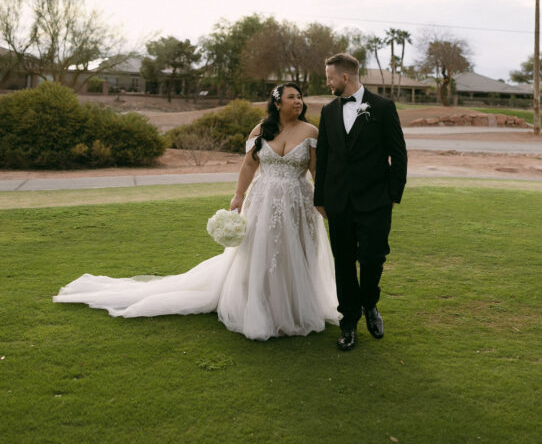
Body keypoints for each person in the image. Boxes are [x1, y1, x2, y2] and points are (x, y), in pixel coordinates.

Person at [53, 83, 339, 341]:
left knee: (296, 253)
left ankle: (295, 308)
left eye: (300, 97)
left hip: (298, 202)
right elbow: (249, 166)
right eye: (292, 97)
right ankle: (263, 308)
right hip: (262, 201)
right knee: (261, 253)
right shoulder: (261, 130)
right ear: (277, 103)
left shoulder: (310, 132)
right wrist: (238, 196)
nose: (298, 101)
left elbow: (316, 171)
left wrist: (322, 204)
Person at [314, 53, 407, 351]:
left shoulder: (383, 107)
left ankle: (370, 304)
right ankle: (349, 321)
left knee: (373, 258)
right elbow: (324, 160)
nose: (327, 83)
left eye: (329, 77)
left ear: (345, 77)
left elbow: (399, 154)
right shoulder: (328, 112)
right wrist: (320, 199)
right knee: (343, 262)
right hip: (338, 202)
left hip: (375, 202)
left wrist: (392, 196)